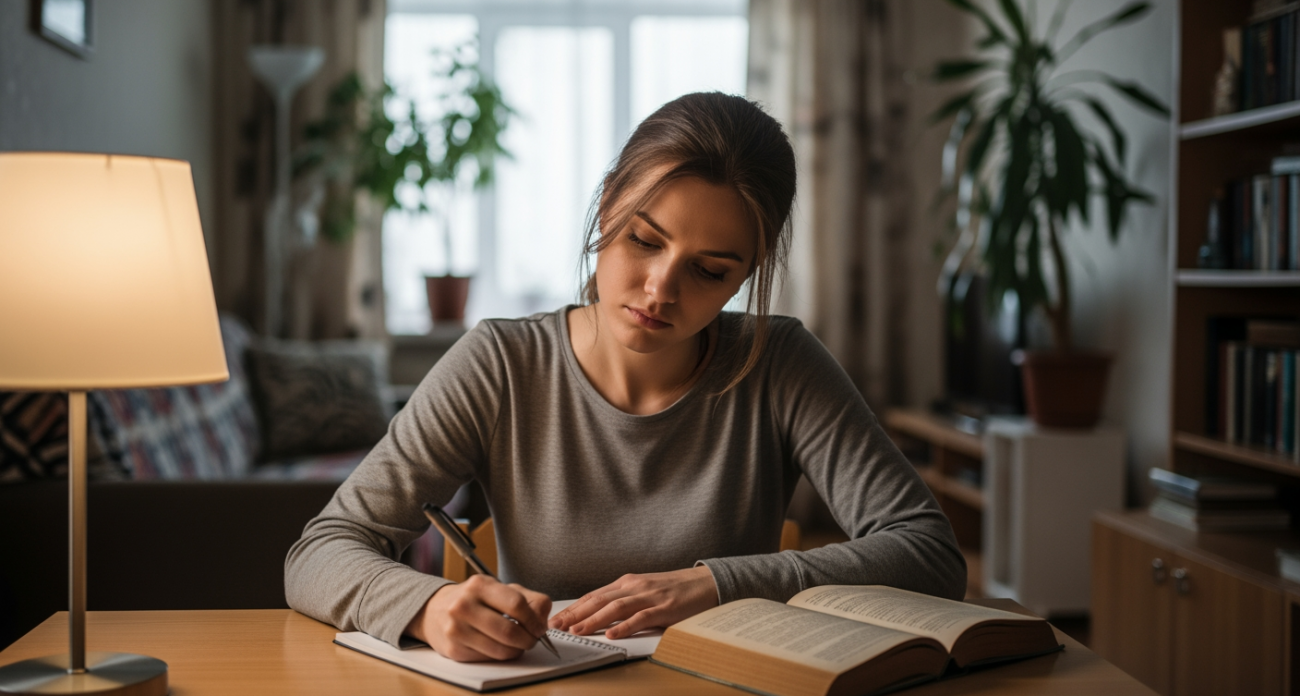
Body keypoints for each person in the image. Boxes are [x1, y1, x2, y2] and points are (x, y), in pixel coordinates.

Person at [285, 92, 966, 663]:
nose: (659, 288)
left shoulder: (781, 363)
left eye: (710, 270)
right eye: (644, 239)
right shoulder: (500, 362)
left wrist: (719, 585)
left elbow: (929, 553)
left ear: (748, 273)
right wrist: (429, 607)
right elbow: (320, 552)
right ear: (608, 204)